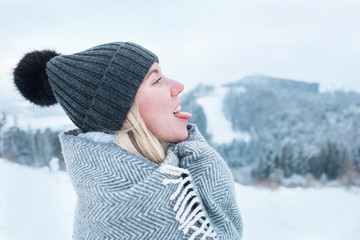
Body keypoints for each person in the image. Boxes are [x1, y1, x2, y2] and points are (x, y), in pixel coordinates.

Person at [13, 42, 243, 240]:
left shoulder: (175, 176)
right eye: (157, 80)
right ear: (122, 110)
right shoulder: (120, 221)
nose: (178, 86)